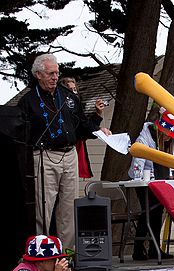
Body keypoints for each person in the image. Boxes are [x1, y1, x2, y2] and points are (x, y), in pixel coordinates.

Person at [18, 54, 111, 250]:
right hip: (44, 155)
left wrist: (97, 128)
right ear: (38, 75)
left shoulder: (68, 96)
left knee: (68, 208)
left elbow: (81, 125)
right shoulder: (28, 101)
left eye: (56, 73)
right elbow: (21, 135)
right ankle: (41, 254)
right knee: (43, 208)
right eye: (50, 73)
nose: (54, 77)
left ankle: (67, 254)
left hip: (69, 154)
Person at [128, 122, 174, 261]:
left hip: (157, 181)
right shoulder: (144, 139)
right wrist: (139, 177)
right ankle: (138, 249)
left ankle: (154, 248)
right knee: (148, 211)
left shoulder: (166, 143)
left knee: (158, 211)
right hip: (141, 180)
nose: (168, 138)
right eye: (167, 134)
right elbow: (138, 163)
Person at [58, 76, 99, 179]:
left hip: (75, 155)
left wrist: (98, 114)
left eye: (75, 90)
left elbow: (86, 130)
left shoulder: (78, 111)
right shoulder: (61, 113)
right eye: (70, 90)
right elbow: (82, 130)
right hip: (63, 155)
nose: (74, 93)